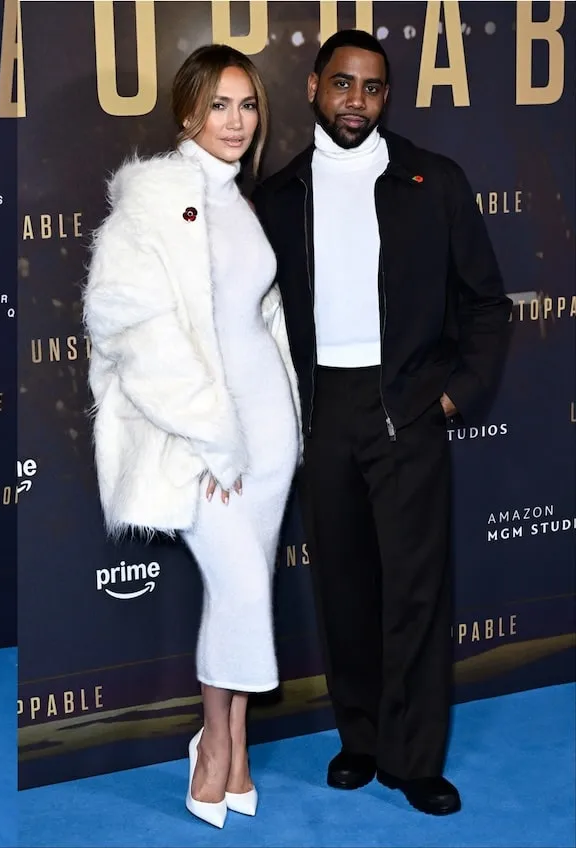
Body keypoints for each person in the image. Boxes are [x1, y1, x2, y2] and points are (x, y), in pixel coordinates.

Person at [252, 29, 511, 816]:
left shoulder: (434, 181)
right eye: (342, 84)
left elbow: (488, 305)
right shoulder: (279, 195)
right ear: (314, 88)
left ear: (386, 96)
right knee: (346, 589)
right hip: (323, 408)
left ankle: (416, 756)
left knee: (416, 593)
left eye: (371, 88)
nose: (356, 101)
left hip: (407, 407)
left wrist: (451, 395)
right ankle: (360, 740)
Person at [82, 45, 300, 829]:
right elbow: (132, 328)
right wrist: (211, 436)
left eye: (247, 106)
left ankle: (236, 742)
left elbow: (257, 315)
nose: (236, 122)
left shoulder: (239, 198)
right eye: (219, 105)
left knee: (246, 591)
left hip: (270, 428)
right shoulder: (154, 198)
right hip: (204, 436)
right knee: (239, 587)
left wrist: (278, 420)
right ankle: (212, 744)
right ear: (186, 112)